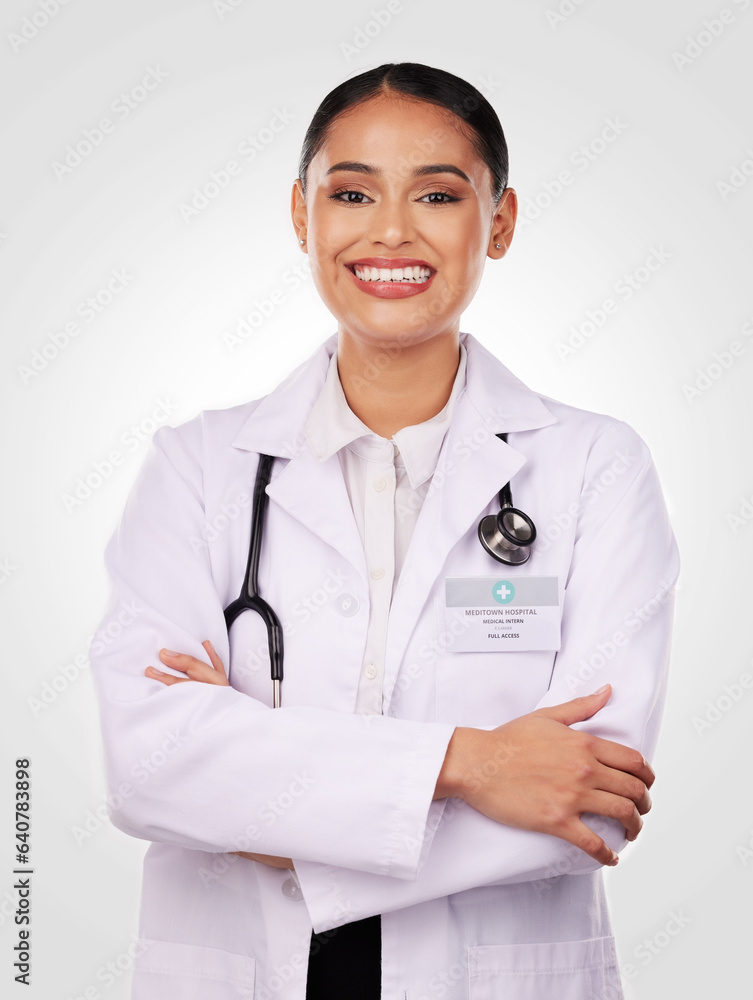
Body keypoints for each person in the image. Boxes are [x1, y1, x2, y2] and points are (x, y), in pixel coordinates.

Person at [90, 62, 680, 1000]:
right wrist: (475, 763)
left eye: (438, 194)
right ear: (301, 216)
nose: (391, 231)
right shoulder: (197, 468)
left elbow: (590, 801)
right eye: (352, 191)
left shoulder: (594, 468)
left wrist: (260, 811)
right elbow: (151, 765)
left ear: (500, 221)